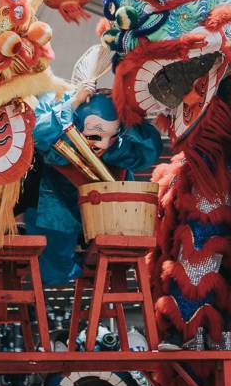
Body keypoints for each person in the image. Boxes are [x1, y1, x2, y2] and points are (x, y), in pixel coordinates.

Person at [23, 86, 162, 287]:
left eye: (111, 137)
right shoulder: (58, 143)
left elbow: (148, 150)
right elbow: (36, 133)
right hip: (58, 212)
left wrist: (126, 114)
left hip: (110, 221)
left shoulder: (115, 150)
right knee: (55, 266)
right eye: (95, 136)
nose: (103, 145)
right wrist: (73, 103)